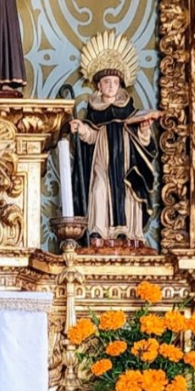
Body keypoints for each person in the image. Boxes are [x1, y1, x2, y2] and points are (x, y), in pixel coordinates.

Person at [70, 34, 159, 245]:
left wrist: (144, 130)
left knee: (129, 192)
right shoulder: (94, 112)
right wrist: (81, 129)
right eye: (106, 82)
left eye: (115, 82)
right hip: (102, 163)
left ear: (121, 85)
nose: (111, 86)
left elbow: (144, 144)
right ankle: (99, 232)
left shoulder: (130, 112)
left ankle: (130, 233)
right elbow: (91, 136)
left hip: (127, 164)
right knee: (99, 189)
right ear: (98, 86)